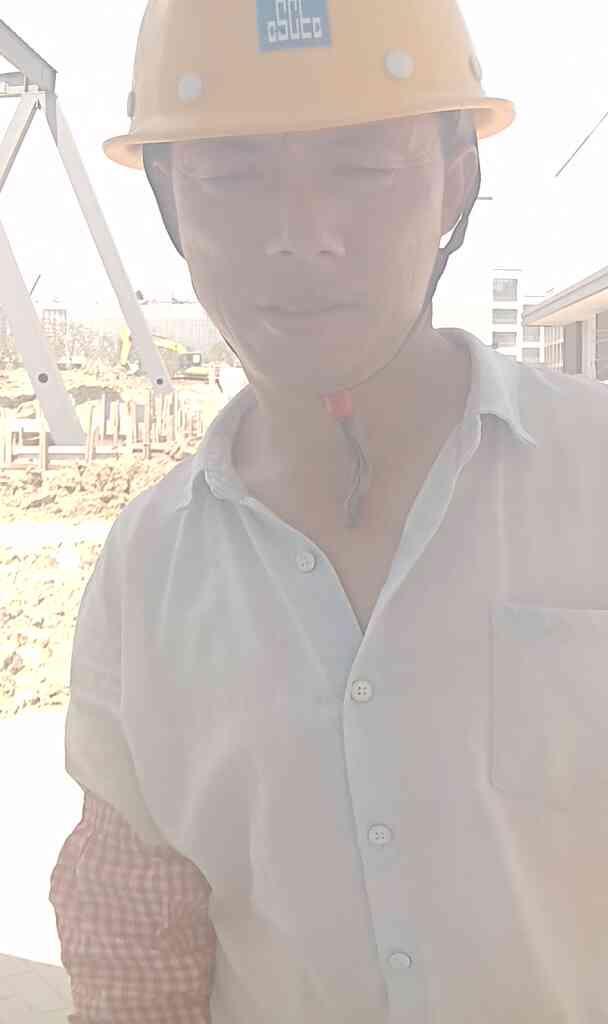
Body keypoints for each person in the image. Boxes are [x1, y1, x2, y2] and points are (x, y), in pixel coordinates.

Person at [50, 1, 608, 1022]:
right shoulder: (146, 577)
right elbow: (136, 950)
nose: (300, 237)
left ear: (455, 182)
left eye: (361, 166)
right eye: (233, 176)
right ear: (169, 201)